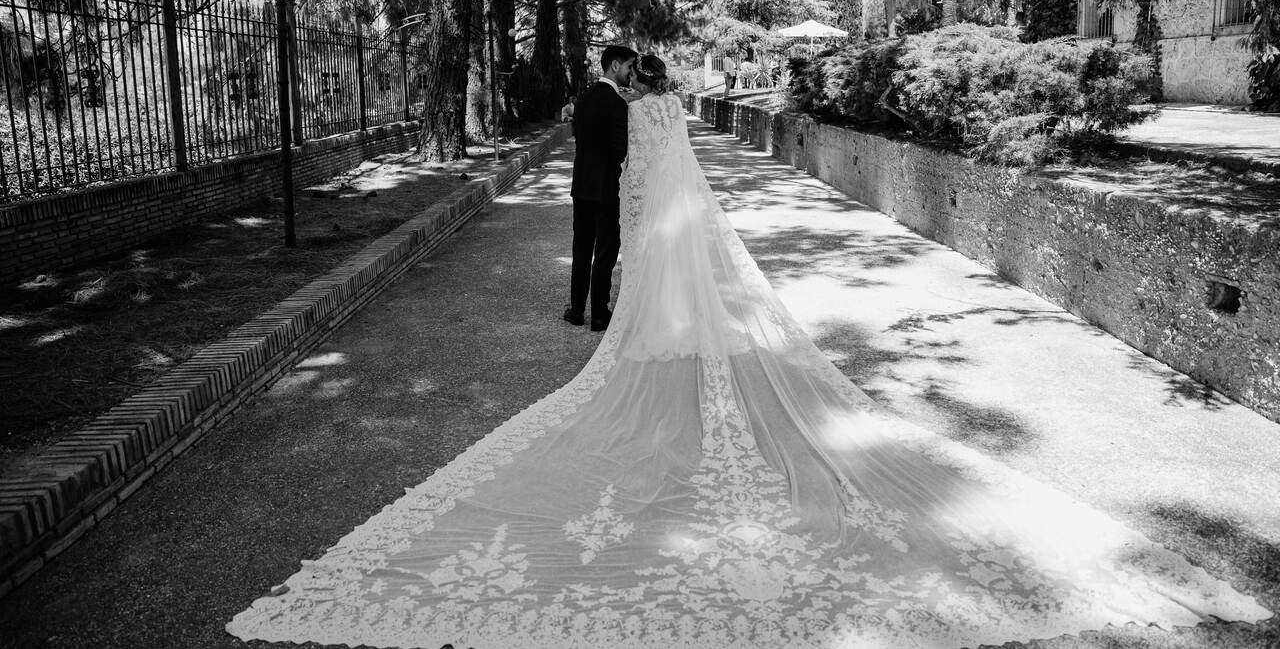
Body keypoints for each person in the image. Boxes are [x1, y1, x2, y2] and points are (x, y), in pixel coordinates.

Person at [229, 54, 1270, 647]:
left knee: (635, 350)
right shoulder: (663, 112)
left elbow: (641, 193)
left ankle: (649, 340)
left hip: (654, 245)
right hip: (678, 239)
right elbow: (660, 183)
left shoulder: (635, 116)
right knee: (683, 313)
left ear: (634, 79)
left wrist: (632, 247)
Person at [562, 45, 635, 332]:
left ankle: (577, 310)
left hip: (582, 185)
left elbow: (579, 139)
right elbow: (619, 151)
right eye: (629, 66)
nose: (631, 73)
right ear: (615, 65)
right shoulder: (617, 104)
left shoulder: (582, 100)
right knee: (605, 250)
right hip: (606, 188)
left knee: (581, 248)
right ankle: (600, 314)